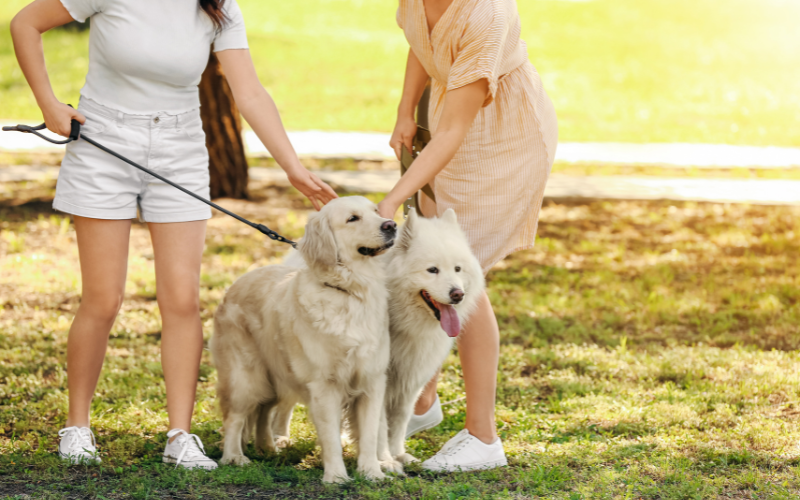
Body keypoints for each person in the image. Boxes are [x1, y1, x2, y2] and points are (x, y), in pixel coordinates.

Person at [10, 0, 337, 469]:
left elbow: (250, 93)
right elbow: (26, 22)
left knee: (181, 301)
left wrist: (293, 168)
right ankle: (77, 427)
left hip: (179, 146)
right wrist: (48, 103)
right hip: (103, 142)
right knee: (102, 299)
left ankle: (180, 436)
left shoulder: (219, 6)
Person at [378, 0, 558, 472]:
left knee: (461, 277)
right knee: (437, 269)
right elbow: (424, 44)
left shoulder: (487, 15)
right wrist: (404, 111)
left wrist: (394, 198)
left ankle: (483, 438)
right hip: (446, 125)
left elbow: (457, 127)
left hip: (501, 137)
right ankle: (421, 402)